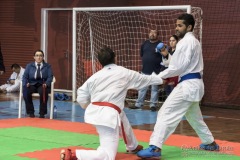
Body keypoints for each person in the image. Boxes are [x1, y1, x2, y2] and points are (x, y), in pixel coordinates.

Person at [137, 13, 219, 159]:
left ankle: (155, 148)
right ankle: (209, 142)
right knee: (194, 117)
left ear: (189, 27)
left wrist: (155, 78)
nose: (177, 28)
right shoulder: (191, 42)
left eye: (180, 25)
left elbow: (178, 67)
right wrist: (166, 55)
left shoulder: (186, 42)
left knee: (164, 113)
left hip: (188, 85)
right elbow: (177, 63)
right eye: (176, 25)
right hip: (193, 85)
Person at [60, 46, 165, 160]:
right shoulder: (124, 72)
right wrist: (161, 79)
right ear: (116, 58)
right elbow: (144, 79)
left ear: (99, 62)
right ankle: (74, 155)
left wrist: (88, 106)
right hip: (107, 117)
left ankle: (132, 146)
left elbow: (81, 95)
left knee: (121, 116)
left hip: (96, 111)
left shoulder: (95, 77)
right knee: (108, 156)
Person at [129, 29, 163, 111]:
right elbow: (142, 55)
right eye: (151, 32)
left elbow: (164, 57)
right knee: (142, 88)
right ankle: (139, 104)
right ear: (149, 34)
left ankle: (153, 105)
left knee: (154, 89)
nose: (152, 34)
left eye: (155, 32)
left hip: (156, 71)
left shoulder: (160, 45)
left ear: (157, 35)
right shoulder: (144, 44)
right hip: (145, 70)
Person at [22, 49, 53, 118]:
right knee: (26, 92)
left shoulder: (48, 66)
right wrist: (26, 83)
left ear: (43, 57)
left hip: (42, 84)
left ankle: (42, 113)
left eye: (40, 56)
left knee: (43, 92)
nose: (39, 57)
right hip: (31, 84)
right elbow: (25, 77)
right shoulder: (29, 66)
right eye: (37, 55)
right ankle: (30, 112)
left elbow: (50, 77)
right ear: (34, 57)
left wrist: (47, 83)